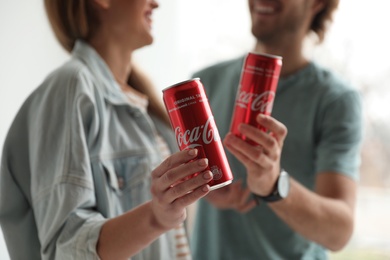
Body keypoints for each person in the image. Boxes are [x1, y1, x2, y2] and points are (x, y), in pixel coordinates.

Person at [0, 0, 214, 259]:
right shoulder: (71, 88)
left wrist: (200, 195)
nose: (156, 4)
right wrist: (156, 218)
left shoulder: (142, 104)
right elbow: (65, 247)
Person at [190, 0, 363, 259]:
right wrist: (201, 189)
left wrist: (273, 185)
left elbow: (339, 232)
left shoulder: (335, 100)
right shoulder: (204, 84)